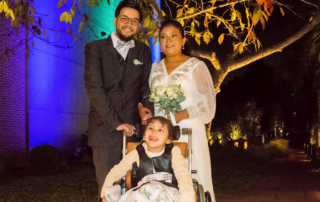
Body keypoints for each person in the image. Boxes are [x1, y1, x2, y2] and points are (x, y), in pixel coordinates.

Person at [84, 1, 153, 200]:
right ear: (115, 20)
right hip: (105, 130)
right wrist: (116, 123)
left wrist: (145, 107)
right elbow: (94, 89)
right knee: (108, 188)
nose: (129, 24)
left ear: (139, 25)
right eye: (124, 19)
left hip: (135, 132)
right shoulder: (94, 49)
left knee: (136, 188)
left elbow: (144, 87)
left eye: (134, 21)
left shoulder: (144, 51)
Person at [149, 20, 216, 201]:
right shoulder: (155, 68)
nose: (168, 41)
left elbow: (208, 105)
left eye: (174, 36)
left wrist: (180, 115)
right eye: (163, 37)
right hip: (161, 132)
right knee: (162, 180)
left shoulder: (196, 66)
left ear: (183, 40)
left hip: (188, 129)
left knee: (190, 179)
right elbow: (150, 100)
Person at [101, 116, 195, 202]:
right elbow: (117, 171)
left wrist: (187, 198)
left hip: (167, 189)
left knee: (158, 191)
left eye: (160, 130)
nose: (154, 132)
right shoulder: (136, 153)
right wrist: (105, 193)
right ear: (144, 135)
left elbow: (183, 175)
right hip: (143, 190)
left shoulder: (174, 152)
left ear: (169, 139)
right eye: (150, 128)